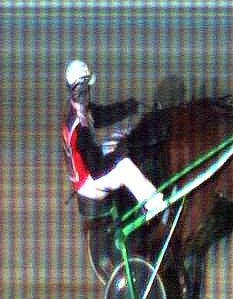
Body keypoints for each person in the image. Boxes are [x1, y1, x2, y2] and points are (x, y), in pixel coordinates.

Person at [64, 59, 166, 218]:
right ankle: (157, 207)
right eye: (82, 89)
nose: (86, 92)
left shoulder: (79, 110)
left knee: (117, 137)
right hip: (90, 185)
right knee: (125, 167)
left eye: (86, 88)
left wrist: (131, 106)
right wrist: (117, 155)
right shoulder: (79, 129)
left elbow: (104, 114)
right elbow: (96, 169)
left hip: (88, 168)